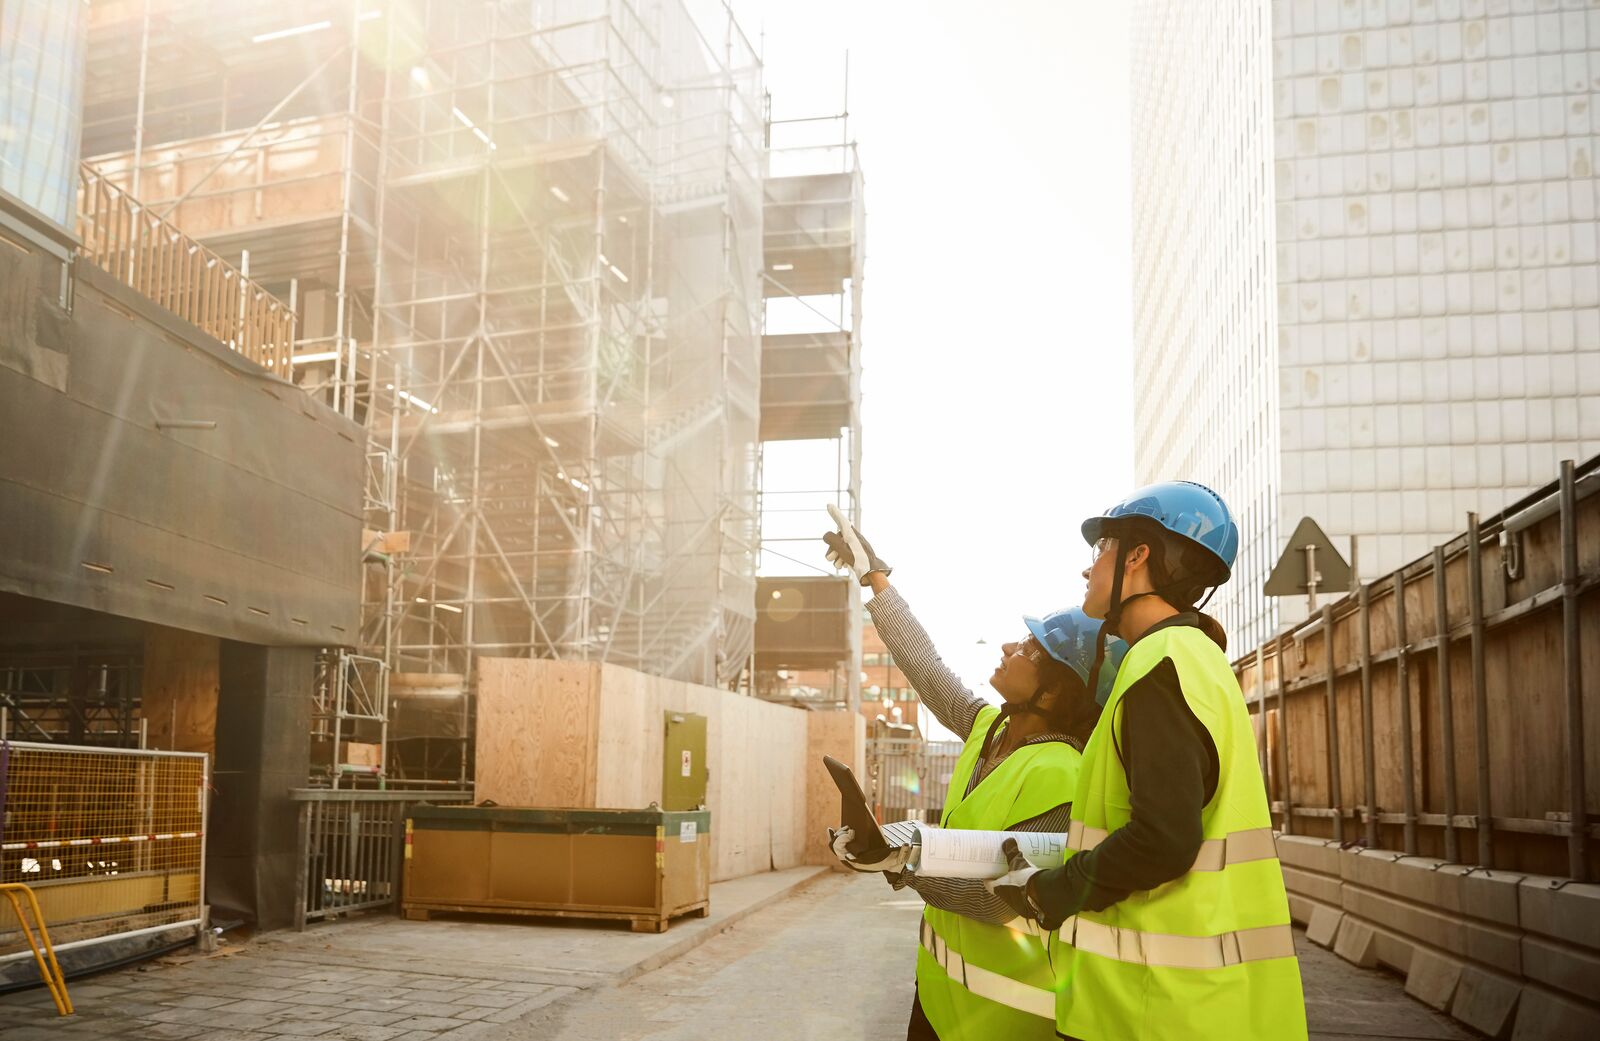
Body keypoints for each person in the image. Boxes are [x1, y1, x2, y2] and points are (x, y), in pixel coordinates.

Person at [986, 481, 1308, 1040]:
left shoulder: (1159, 666)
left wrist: (1052, 891)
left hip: (1153, 1011)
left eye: (1101, 550)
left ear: (1138, 556)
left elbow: (1164, 839)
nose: (1089, 570)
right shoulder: (1194, 659)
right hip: (1198, 1006)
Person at [820, 506, 1127, 1041]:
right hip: (939, 998)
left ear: (1054, 692)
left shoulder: (1066, 773)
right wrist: (877, 579)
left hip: (1007, 1020)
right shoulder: (987, 727)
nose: (1011, 646)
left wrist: (896, 857)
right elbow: (926, 668)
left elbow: (1000, 896)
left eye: (1031, 648)